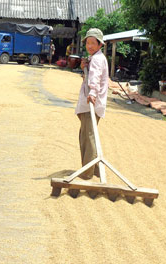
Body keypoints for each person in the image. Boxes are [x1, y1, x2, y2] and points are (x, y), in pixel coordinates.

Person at [75, 28, 108, 180]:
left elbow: (95, 78)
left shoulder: (97, 59)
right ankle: (94, 170)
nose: (89, 46)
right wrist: (84, 68)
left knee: (87, 137)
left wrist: (93, 93)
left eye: (93, 43)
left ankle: (87, 173)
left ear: (100, 44)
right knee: (87, 135)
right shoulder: (94, 58)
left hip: (92, 104)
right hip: (92, 103)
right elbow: (89, 77)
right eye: (88, 43)